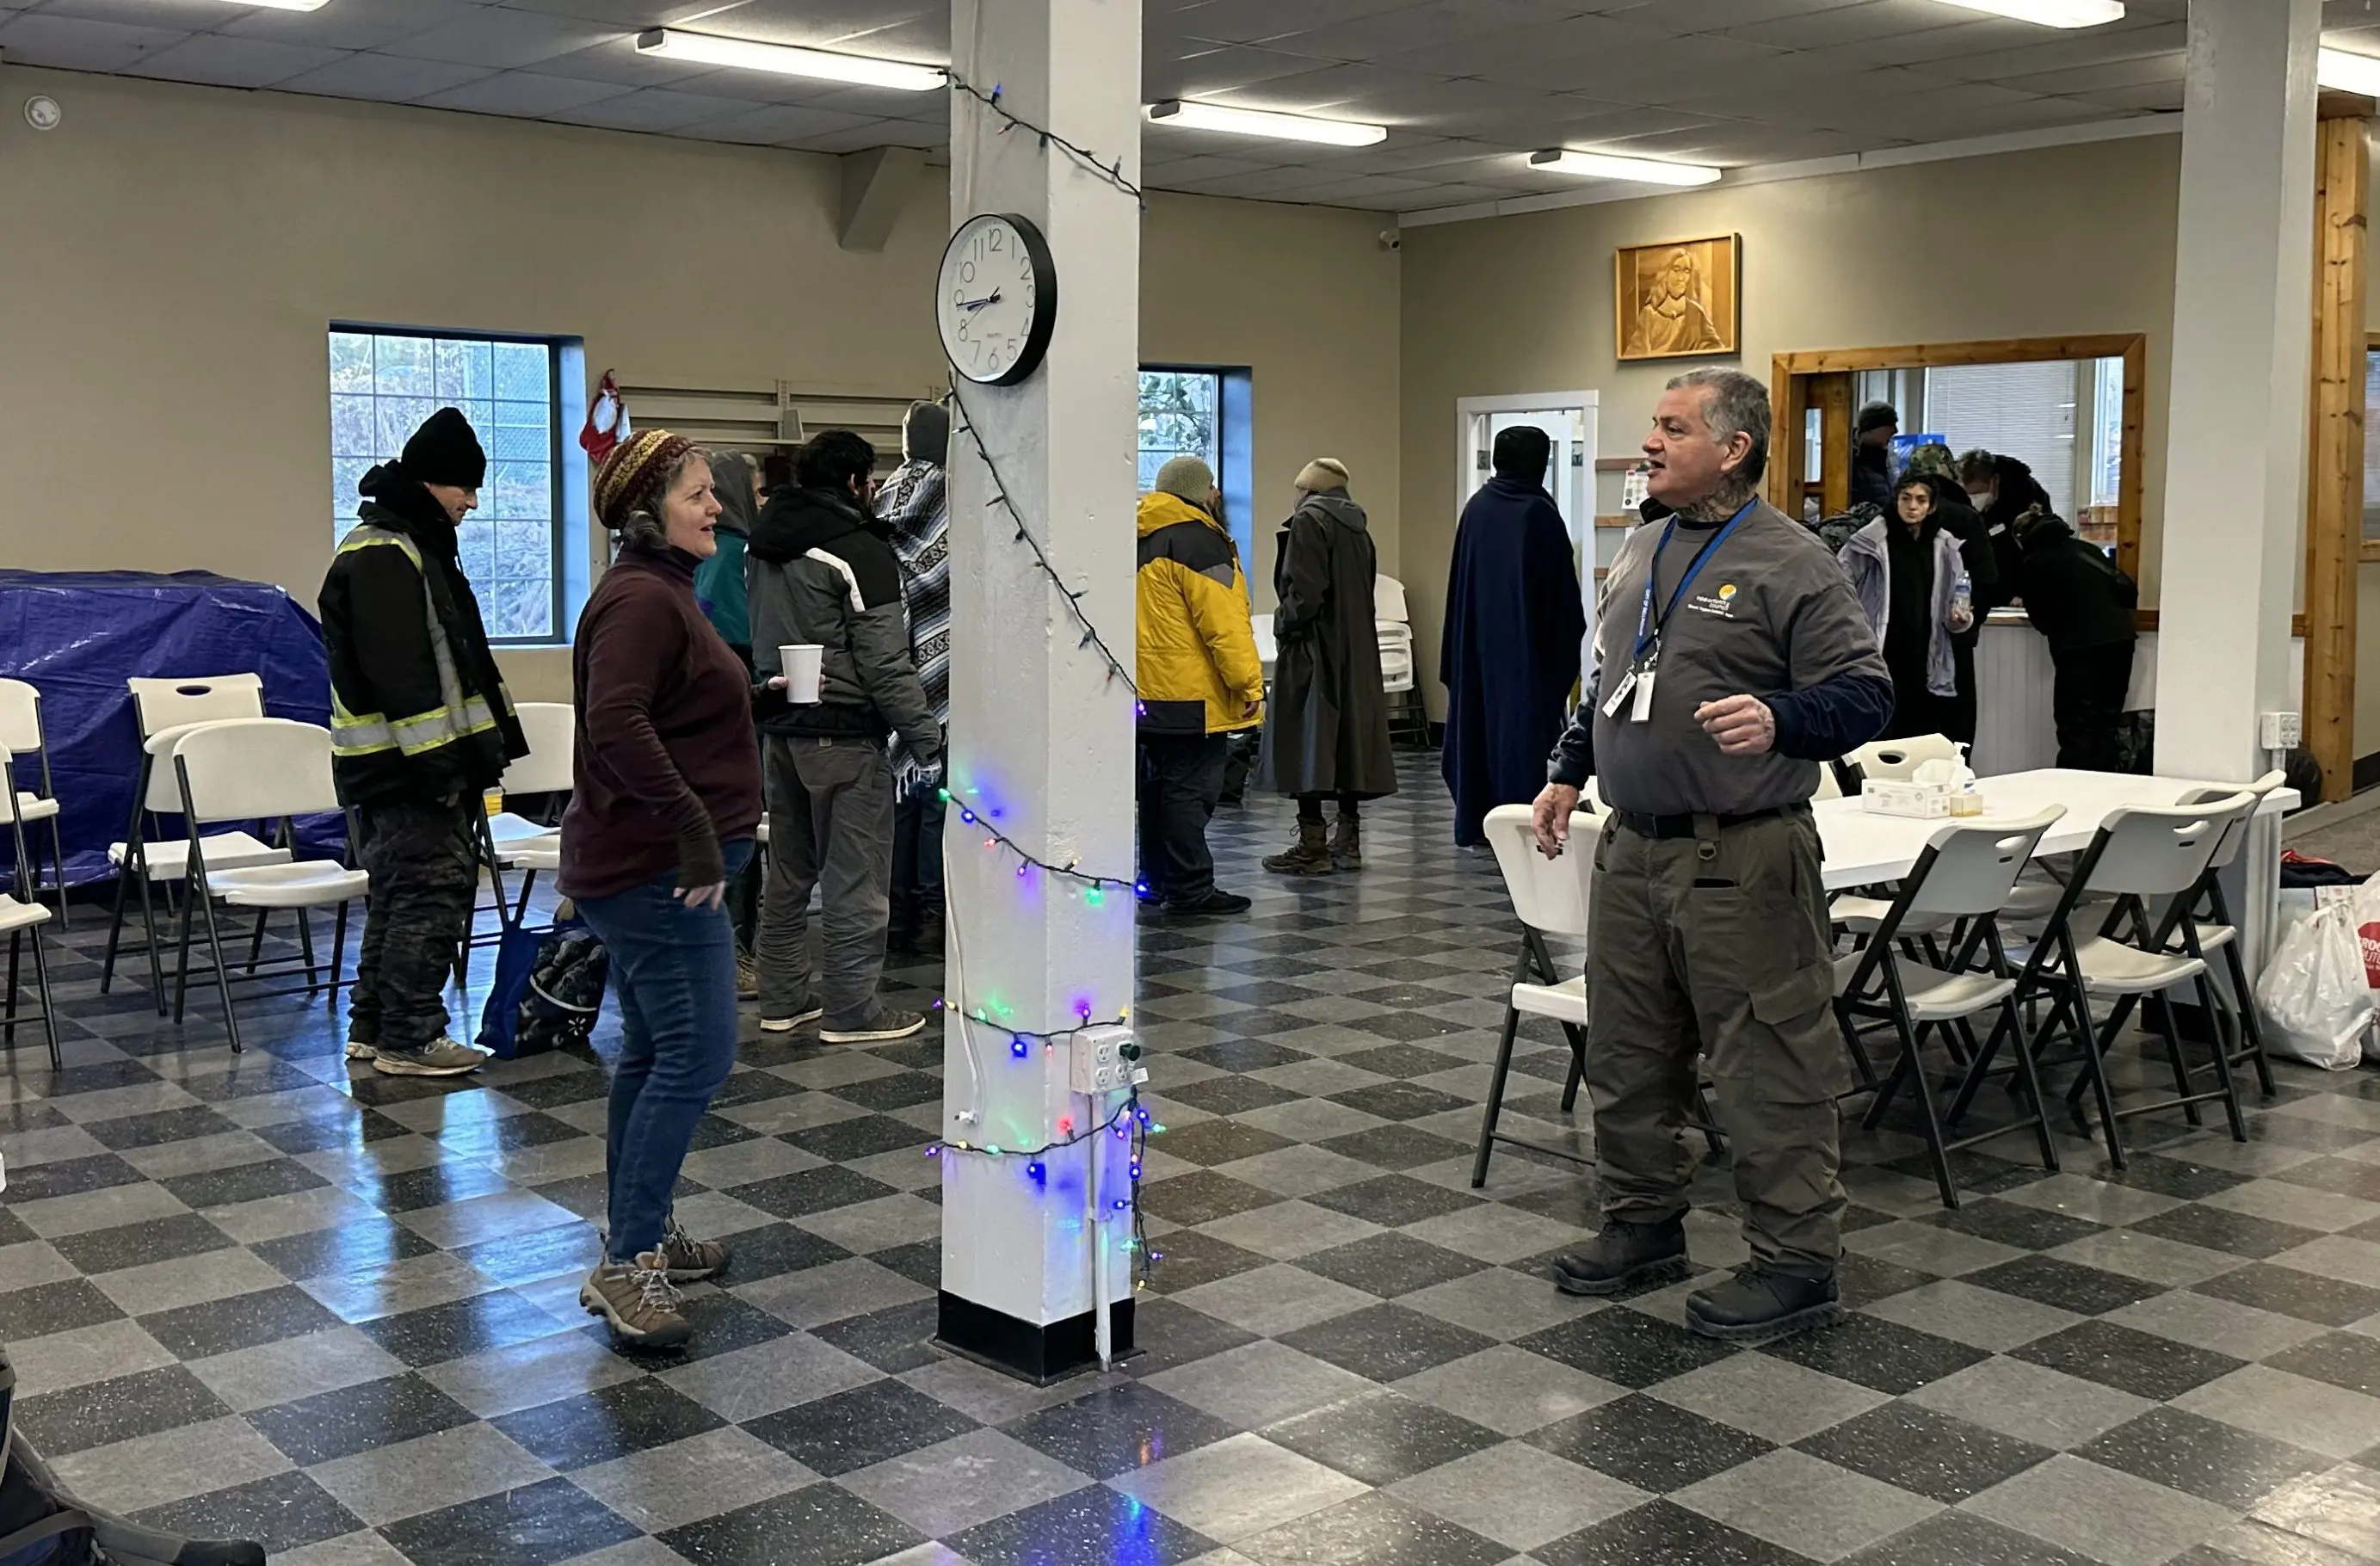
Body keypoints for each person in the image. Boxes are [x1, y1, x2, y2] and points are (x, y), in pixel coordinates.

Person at [1532, 367, 1893, 1343]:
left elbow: (1866, 698)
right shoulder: (1642, 545)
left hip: (1744, 855)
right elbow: (1607, 680)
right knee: (1628, 1051)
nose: (1649, 442)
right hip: (1633, 851)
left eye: (1672, 428)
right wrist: (1570, 767)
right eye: (1652, 425)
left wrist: (1779, 714)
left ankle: (1797, 1263)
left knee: (1767, 1060)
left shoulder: (1793, 562)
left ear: (1733, 448)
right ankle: (1643, 1222)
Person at [562, 429, 762, 1348]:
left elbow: (665, 708)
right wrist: (691, 827)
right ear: (649, 512)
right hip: (655, 870)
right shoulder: (644, 597)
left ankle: (646, 1234)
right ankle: (625, 1261)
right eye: (695, 493)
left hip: (654, 861)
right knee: (698, 1051)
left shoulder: (663, 591)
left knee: (652, 1050)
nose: (714, 504)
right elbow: (613, 719)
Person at [321, 406, 527, 1078]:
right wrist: (442, 767)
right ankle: (413, 1034)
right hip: (410, 769)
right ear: (430, 483)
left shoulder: (408, 542)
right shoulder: (388, 551)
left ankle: (375, 1025)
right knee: (430, 892)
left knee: (400, 893)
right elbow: (404, 676)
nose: (472, 500)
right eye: (464, 487)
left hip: (406, 765)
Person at [748, 429, 940, 1043]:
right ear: (856, 484)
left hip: (780, 731)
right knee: (855, 879)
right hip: (846, 739)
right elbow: (886, 662)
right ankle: (852, 1010)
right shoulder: (857, 549)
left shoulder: (762, 541)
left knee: (788, 872)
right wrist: (925, 739)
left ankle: (781, 999)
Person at [1440, 425, 1586, 848]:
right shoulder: (1538, 513)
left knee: (1477, 734)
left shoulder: (1477, 508)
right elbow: (1561, 601)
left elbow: (1458, 594)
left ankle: (1477, 821)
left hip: (1476, 656)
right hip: (1525, 660)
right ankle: (1521, 828)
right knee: (1518, 742)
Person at [1136, 455, 1263, 916]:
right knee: (1189, 794)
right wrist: (1249, 685)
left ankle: (1153, 881)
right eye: (1212, 487)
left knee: (1154, 792)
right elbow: (1224, 627)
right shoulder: (1202, 542)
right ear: (1202, 491)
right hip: (1192, 694)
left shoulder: (1137, 534)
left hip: (1143, 692)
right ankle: (1190, 888)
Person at [1261, 459, 1398, 874]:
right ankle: (1349, 843)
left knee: (1307, 741)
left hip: (1313, 649)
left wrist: (1283, 625)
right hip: (1355, 649)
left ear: (1307, 490)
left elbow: (1305, 592)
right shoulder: (1359, 528)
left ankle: (1312, 845)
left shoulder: (1309, 522)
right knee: (1346, 742)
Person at [878, 403, 952, 958]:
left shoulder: (889, 492)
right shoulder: (952, 492)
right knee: (934, 799)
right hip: (943, 662)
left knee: (904, 795)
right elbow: (948, 573)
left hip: (895, 658)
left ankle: (896, 911)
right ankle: (929, 911)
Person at [693, 451, 761, 996]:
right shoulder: (736, 554)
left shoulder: (702, 552)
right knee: (740, 829)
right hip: (735, 705)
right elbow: (736, 635)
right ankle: (734, 952)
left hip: (707, 710)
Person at [1836, 472, 1974, 741]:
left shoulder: (1945, 546)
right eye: (1906, 499)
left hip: (1925, 654)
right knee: (1878, 734)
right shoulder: (1869, 541)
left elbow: (1955, 602)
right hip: (1880, 649)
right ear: (1896, 500)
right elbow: (1838, 584)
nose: (1912, 506)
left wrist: (1960, 620)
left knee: (1920, 734)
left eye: (1921, 500)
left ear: (1931, 506)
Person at [2016, 511, 2139, 770]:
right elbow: (2127, 592)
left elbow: (2041, 620)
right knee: (2107, 720)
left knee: (2076, 723)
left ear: (2022, 537)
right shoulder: (2087, 549)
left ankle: (2073, 785)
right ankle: (2107, 783)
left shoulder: (2035, 561)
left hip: (2078, 647)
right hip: (2120, 640)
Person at [1902, 443, 1998, 746]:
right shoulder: (1965, 517)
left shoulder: (1892, 517)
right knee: (1953, 739)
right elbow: (1987, 580)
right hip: (1951, 643)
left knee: (1902, 740)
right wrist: (1967, 626)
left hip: (1900, 646)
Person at [1958, 447, 2054, 589]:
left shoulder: (2025, 498)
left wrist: (2022, 590)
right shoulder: (1985, 507)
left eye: (1978, 493)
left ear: (1995, 480)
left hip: (2022, 585)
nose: (1974, 500)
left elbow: (2035, 553)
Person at [1630, 248, 1725, 357]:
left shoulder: (1696, 313)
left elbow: (1716, 348)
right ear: (1665, 273)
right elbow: (1635, 356)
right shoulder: (1649, 314)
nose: (1681, 278)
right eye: (1675, 270)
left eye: (1686, 271)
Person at [1850, 402, 1897, 511]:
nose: (1895, 431)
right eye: (1890, 425)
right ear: (1871, 428)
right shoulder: (1845, 459)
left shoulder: (1890, 456)